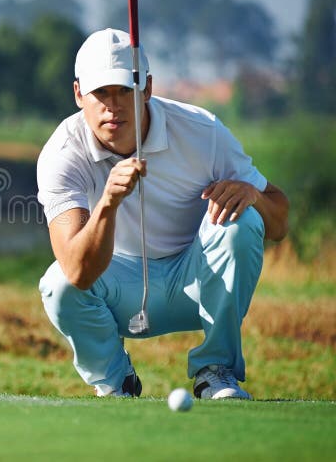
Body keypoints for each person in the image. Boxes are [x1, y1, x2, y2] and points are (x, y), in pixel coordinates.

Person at [36, 28, 289, 399]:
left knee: (244, 221)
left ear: (148, 88)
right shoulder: (62, 152)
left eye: (125, 90)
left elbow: (280, 223)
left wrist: (253, 195)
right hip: (117, 290)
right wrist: (107, 203)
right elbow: (77, 271)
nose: (113, 105)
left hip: (198, 281)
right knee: (57, 284)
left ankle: (215, 370)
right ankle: (116, 380)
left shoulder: (203, 131)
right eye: (100, 92)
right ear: (78, 94)